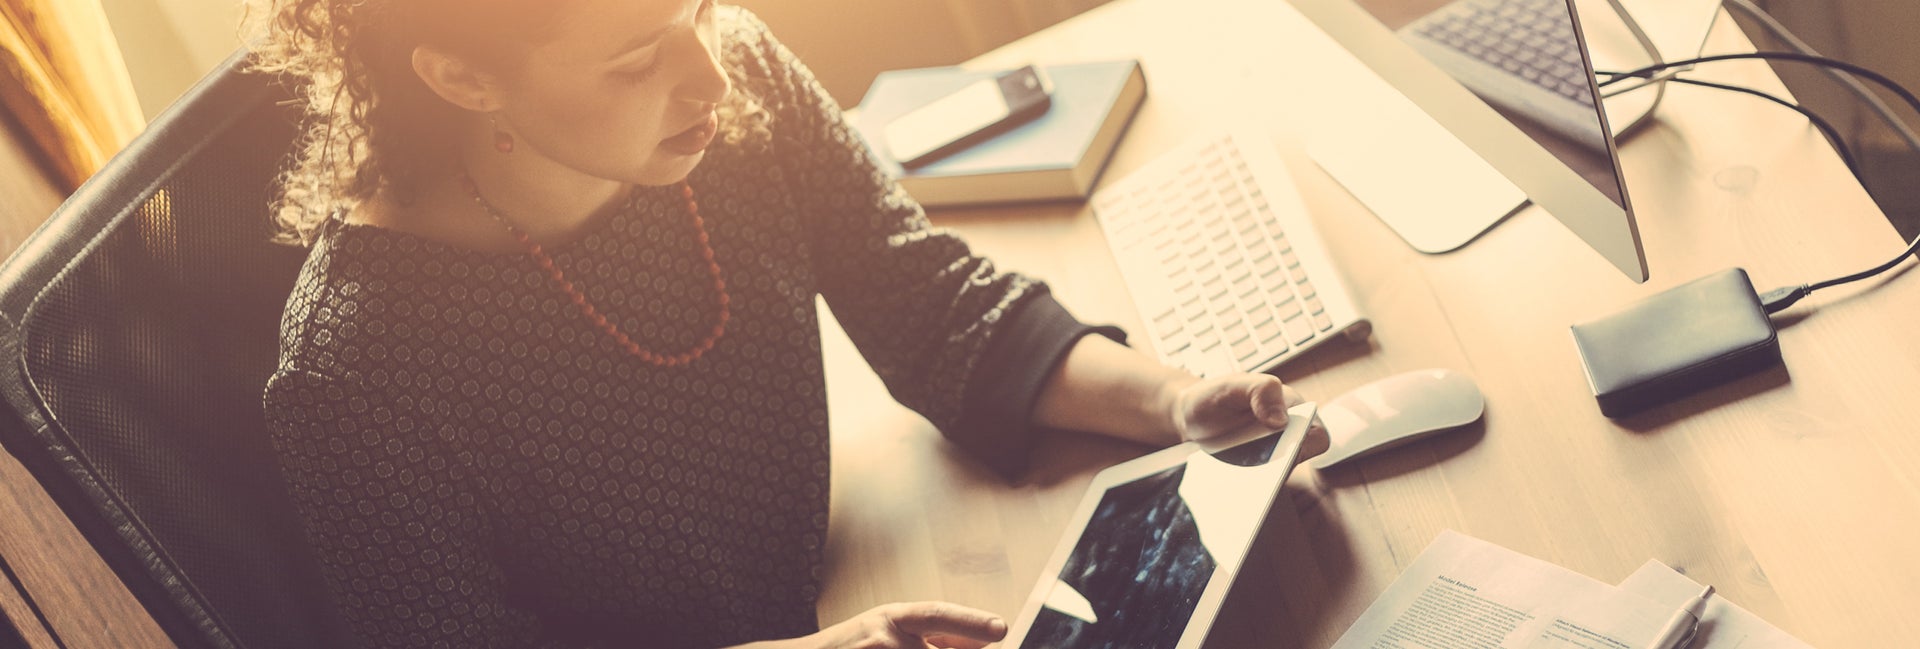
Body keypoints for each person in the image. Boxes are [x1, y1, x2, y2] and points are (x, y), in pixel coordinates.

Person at [249, 0, 1329, 647]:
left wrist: (1175, 399)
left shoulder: (739, 84)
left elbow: (931, 302)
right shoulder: (355, 373)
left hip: (847, 588)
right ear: (460, 76)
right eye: (636, 57)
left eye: (702, 8)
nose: (709, 74)